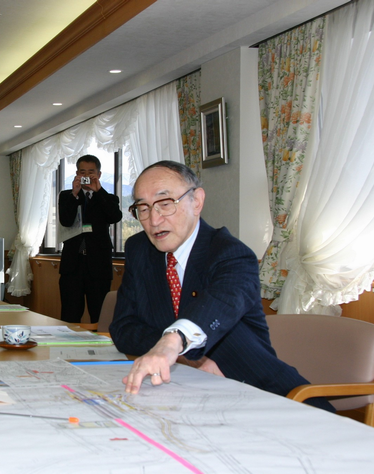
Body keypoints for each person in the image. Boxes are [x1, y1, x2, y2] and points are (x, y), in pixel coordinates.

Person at [109, 160, 334, 411]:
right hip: (182, 393)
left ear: (197, 201)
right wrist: (188, 358)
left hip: (263, 394)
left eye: (165, 204)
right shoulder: (140, 249)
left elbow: (219, 304)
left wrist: (173, 343)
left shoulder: (231, 254)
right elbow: (123, 328)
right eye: (143, 207)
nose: (153, 219)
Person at [58, 155, 122, 323]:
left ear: (99, 174)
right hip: (72, 264)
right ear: (77, 173)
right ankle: (68, 347)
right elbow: (65, 220)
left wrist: (98, 190)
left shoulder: (108, 198)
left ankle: (101, 347)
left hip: (98, 264)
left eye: (91, 172)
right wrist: (75, 193)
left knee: (100, 313)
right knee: (70, 313)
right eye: (82, 171)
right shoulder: (66, 196)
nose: (86, 175)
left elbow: (115, 216)